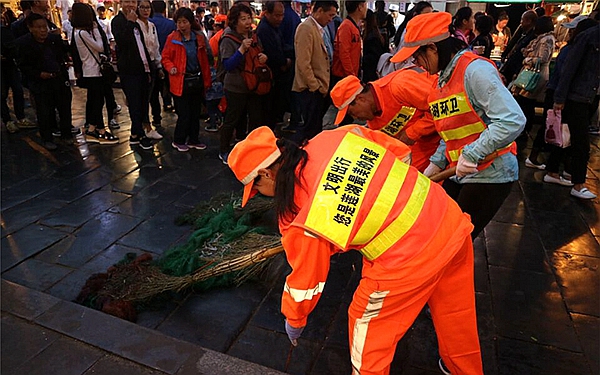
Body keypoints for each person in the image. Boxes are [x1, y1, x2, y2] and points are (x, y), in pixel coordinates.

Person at [228, 125, 483, 375]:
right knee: (455, 313)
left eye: (256, 188)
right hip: (448, 219)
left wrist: (294, 320)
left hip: (408, 256)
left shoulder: (300, 215)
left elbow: (307, 279)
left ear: (267, 173)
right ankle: (463, 368)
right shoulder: (338, 135)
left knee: (368, 329)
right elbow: (402, 154)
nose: (261, 195)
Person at [391, 11, 525, 240]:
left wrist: (473, 153)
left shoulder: (475, 71)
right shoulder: (440, 80)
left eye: (417, 56)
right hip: (462, 171)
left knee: (454, 239)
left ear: (433, 48)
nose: (415, 63)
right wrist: (436, 164)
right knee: (438, 230)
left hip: (492, 172)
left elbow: (512, 120)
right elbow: (451, 129)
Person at [331, 68, 439, 173]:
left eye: (352, 113)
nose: (355, 118)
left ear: (360, 99)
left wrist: (412, 133)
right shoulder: (373, 123)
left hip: (443, 140)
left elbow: (441, 107)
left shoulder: (400, 85)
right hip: (422, 152)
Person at [532, 17, 597, 186]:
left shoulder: (570, 48)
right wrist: (560, 98)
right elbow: (564, 71)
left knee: (561, 135)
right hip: (568, 95)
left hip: (564, 94)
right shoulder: (574, 47)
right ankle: (573, 179)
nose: (569, 31)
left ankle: (559, 171)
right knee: (568, 138)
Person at [552, 22, 599, 199]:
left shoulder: (588, 37)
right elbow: (569, 69)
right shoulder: (589, 37)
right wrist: (560, 98)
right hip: (577, 96)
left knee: (565, 137)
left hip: (585, 95)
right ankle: (578, 184)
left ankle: (555, 171)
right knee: (579, 142)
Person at [218, 3, 268, 164]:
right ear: (234, 21)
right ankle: (224, 150)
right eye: (243, 19)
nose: (247, 22)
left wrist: (263, 57)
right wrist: (241, 50)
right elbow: (227, 65)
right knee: (232, 118)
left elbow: (258, 52)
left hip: (253, 85)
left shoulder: (253, 35)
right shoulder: (228, 38)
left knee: (254, 118)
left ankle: (249, 148)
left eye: (249, 18)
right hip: (235, 86)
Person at [15, 13, 73, 150]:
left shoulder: (54, 39)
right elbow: (22, 65)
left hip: (58, 79)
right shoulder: (23, 43)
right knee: (44, 112)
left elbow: (64, 53)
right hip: (40, 82)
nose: (43, 30)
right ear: (30, 28)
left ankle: (66, 134)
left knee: (64, 108)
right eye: (39, 27)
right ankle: (47, 138)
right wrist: (38, 74)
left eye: (44, 27)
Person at [162, 7, 211, 152]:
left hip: (196, 80)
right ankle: (179, 139)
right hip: (180, 81)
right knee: (184, 113)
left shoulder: (199, 38)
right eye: (179, 22)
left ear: (190, 22)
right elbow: (165, 57)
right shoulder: (173, 38)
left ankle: (194, 139)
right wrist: (171, 67)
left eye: (184, 22)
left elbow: (204, 60)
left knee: (196, 112)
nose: (181, 25)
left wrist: (207, 80)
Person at [291, 1, 338, 144]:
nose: (331, 19)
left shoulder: (319, 28)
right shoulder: (306, 28)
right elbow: (303, 63)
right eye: (329, 15)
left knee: (314, 128)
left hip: (318, 87)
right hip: (309, 89)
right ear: (318, 11)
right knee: (309, 129)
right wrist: (314, 86)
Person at [72, 3, 118, 145]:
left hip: (91, 71)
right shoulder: (83, 33)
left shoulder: (78, 32)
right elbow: (100, 46)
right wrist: (96, 29)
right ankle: (100, 131)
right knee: (97, 102)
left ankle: (93, 129)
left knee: (95, 101)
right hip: (92, 71)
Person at [111, 0, 154, 150]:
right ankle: (140, 134)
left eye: (133, 2)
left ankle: (135, 134)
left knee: (142, 102)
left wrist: (147, 67)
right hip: (129, 70)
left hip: (141, 68)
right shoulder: (117, 21)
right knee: (134, 102)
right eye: (127, 1)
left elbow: (141, 46)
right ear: (121, 3)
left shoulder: (135, 21)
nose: (131, 5)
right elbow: (122, 42)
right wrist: (129, 23)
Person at [512, 16, 555, 157]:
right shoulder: (542, 38)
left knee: (527, 103)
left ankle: (524, 129)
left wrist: (527, 58)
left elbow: (542, 58)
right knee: (524, 102)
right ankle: (523, 128)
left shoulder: (546, 39)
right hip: (532, 73)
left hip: (536, 75)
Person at [256, 1, 291, 129]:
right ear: (267, 13)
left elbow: (281, 47)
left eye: (282, 15)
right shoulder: (264, 29)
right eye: (277, 15)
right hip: (270, 76)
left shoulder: (275, 27)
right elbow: (271, 53)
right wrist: (284, 61)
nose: (280, 19)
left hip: (279, 74)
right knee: (268, 111)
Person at [332, 0, 366, 122]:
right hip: (345, 77)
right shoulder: (347, 26)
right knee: (347, 114)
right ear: (360, 7)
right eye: (365, 5)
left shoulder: (352, 26)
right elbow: (344, 53)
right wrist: (352, 76)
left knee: (348, 115)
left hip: (349, 76)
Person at [136, 0, 164, 140]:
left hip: (152, 64)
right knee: (142, 98)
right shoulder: (136, 25)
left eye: (147, 8)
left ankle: (149, 123)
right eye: (142, 7)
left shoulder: (152, 26)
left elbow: (156, 47)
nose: (145, 10)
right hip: (140, 66)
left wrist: (159, 66)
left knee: (152, 95)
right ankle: (144, 126)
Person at [150, 0, 176, 115]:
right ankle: (167, 103)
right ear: (164, 9)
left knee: (154, 88)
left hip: (152, 59)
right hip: (168, 59)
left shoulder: (148, 23)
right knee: (168, 83)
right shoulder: (170, 24)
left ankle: (156, 115)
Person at [499, 10, 537, 85]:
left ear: (529, 21)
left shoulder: (532, 37)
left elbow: (522, 55)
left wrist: (517, 72)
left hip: (517, 70)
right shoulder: (525, 34)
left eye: (522, 20)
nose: (521, 22)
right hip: (511, 67)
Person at [362, 9, 387, 83]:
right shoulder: (375, 34)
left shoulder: (372, 37)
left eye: (363, 21)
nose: (361, 24)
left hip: (371, 73)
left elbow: (373, 57)